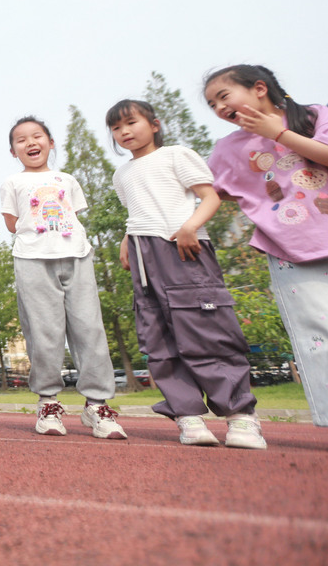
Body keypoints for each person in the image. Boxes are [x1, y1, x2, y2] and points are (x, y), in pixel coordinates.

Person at [107, 98, 264, 449]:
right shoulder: (122, 174)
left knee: (208, 328)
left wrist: (191, 227)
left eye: (131, 122)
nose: (124, 131)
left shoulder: (177, 155)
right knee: (157, 334)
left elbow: (210, 197)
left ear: (155, 124)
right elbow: (138, 211)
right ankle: (187, 415)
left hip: (182, 246)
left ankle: (240, 416)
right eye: (116, 128)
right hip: (143, 254)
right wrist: (127, 239)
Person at [203, 64, 328, 452]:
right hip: (291, 251)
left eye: (223, 96)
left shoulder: (313, 117)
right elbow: (205, 190)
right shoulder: (227, 149)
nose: (219, 108)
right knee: (322, 338)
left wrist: (276, 133)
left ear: (259, 88)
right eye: (212, 105)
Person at [0, 118, 127, 439]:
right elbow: (12, 224)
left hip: (76, 255)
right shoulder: (12, 182)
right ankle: (48, 403)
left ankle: (96, 405)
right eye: (21, 140)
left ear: (50, 142)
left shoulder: (67, 179)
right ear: (13, 151)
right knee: (44, 333)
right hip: (32, 258)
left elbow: (74, 214)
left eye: (37, 136)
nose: (30, 143)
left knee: (89, 329)